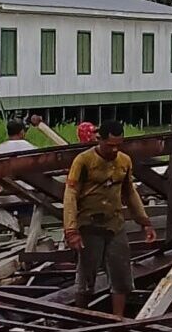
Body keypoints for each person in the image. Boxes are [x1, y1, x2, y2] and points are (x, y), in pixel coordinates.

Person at [63, 120, 156, 318]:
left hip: (115, 223)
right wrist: (71, 230)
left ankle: (118, 320)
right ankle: (79, 318)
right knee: (87, 275)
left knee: (121, 273)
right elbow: (70, 195)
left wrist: (144, 222)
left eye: (118, 145)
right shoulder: (83, 161)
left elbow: (130, 192)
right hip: (89, 224)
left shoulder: (124, 161)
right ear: (100, 140)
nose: (114, 150)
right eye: (109, 145)